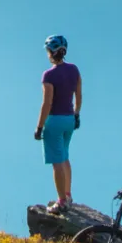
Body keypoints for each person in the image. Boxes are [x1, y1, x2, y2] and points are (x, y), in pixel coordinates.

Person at [35, 34, 82, 214]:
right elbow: (78, 95)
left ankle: (61, 201)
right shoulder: (74, 70)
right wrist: (76, 114)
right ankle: (68, 195)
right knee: (65, 157)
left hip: (54, 121)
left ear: (50, 52)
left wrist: (39, 127)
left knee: (57, 161)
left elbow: (47, 103)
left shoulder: (49, 75)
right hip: (69, 119)